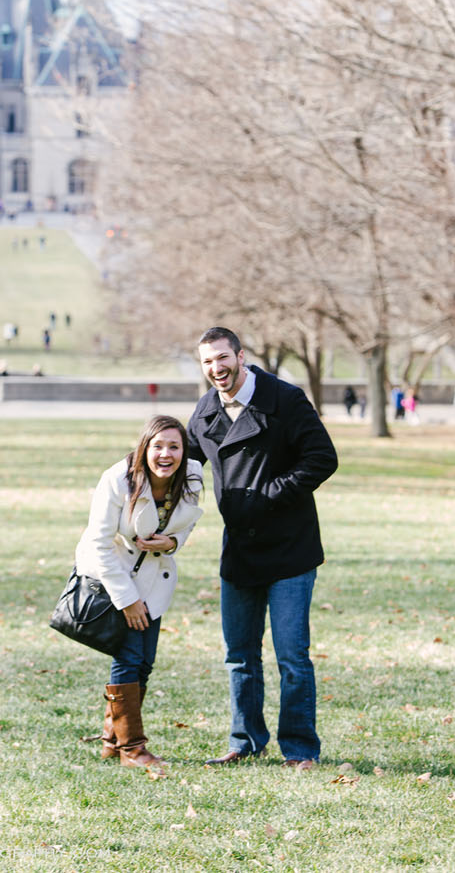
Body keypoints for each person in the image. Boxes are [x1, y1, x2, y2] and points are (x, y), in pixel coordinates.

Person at [188, 326, 337, 770]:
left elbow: (322, 458)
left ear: (241, 355)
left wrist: (269, 495)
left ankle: (299, 748)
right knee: (240, 656)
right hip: (239, 552)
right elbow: (185, 465)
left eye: (222, 358)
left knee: (292, 657)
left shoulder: (284, 400)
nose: (217, 369)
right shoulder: (205, 411)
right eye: (207, 362)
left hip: (290, 550)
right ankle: (245, 740)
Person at [74, 416, 204, 773]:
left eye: (174, 446)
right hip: (114, 573)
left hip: (154, 577)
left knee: (145, 662)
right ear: (144, 447)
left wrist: (174, 541)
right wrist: (126, 600)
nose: (166, 454)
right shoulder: (117, 479)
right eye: (157, 446)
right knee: (129, 657)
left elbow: (189, 520)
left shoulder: (192, 475)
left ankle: (112, 742)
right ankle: (132, 747)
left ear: (184, 450)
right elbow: (100, 543)